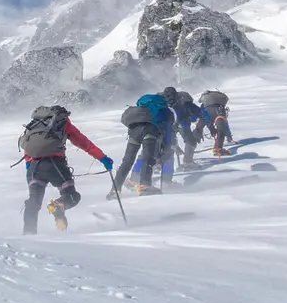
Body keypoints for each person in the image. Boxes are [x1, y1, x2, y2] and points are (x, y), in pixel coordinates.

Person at [17, 105, 114, 234]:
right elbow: (84, 143)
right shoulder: (62, 122)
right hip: (56, 164)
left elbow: (28, 151)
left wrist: (29, 173)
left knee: (34, 202)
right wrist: (103, 158)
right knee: (71, 195)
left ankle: (29, 235)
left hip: (34, 167)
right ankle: (58, 205)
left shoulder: (34, 125)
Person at [107, 87, 178, 199]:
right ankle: (145, 185)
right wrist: (167, 149)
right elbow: (168, 132)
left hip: (134, 130)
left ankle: (114, 190)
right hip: (149, 131)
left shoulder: (146, 104)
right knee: (148, 158)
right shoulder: (166, 111)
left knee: (127, 161)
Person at [170, 90, 204, 169]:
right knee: (191, 141)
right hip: (182, 125)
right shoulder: (188, 104)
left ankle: (158, 163)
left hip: (169, 125)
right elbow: (199, 113)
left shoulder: (170, 105)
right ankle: (187, 162)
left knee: (169, 144)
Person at [198, 90, 236, 157]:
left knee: (200, 125)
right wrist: (229, 136)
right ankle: (218, 148)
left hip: (206, 111)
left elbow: (203, 119)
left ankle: (191, 145)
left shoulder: (204, 104)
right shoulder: (220, 105)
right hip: (218, 111)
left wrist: (210, 128)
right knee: (221, 127)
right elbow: (225, 126)